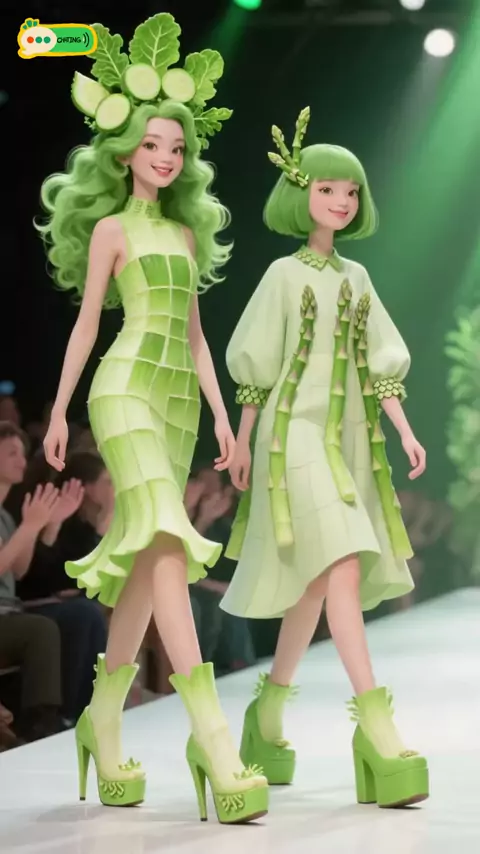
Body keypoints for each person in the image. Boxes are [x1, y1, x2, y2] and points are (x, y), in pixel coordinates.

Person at [38, 13, 267, 822]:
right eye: (152, 144)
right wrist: (59, 409)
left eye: (176, 146)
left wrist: (224, 419)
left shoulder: (183, 232)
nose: (166, 156)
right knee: (168, 540)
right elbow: (87, 326)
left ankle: (101, 720)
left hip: (178, 402)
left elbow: (198, 337)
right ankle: (212, 736)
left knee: (144, 560)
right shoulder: (111, 229)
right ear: (125, 152)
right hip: (125, 389)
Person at [221, 107, 429, 808]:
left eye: (350, 191)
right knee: (341, 564)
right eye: (327, 189)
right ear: (300, 193)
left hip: (349, 439)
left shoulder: (358, 277)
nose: (341, 201)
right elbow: (257, 358)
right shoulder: (283, 275)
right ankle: (376, 724)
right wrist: (243, 437)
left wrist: (403, 430)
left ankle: (266, 715)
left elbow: (379, 361)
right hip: (293, 436)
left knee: (314, 586)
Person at [0, 421, 63, 741]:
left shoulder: (5, 516)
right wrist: (28, 528)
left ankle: (73, 709)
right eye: (12, 453)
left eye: (23, 454)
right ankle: (40, 723)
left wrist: (32, 526)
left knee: (74, 618)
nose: (21, 461)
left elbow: (18, 571)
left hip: (10, 611)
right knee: (41, 628)